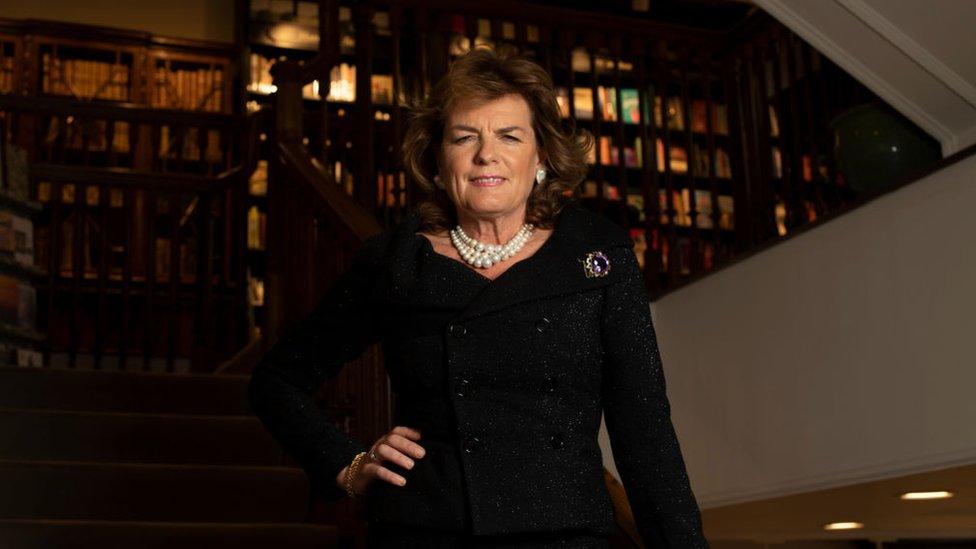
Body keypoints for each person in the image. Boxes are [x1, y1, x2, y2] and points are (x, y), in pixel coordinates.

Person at [247, 47, 709, 548]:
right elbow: (276, 380)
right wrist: (346, 463)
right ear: (439, 162)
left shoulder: (598, 255)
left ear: (542, 158)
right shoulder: (395, 263)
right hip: (426, 528)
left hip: (566, 531)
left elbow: (645, 433)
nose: (486, 153)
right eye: (464, 137)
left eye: (509, 136)